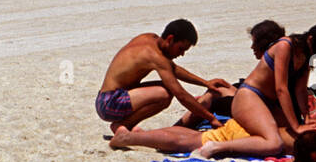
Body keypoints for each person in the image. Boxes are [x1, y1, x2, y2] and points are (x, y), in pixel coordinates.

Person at [195, 21, 316, 160]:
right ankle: (192, 128)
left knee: (218, 94)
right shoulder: (283, 50)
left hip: (261, 100)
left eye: (255, 42)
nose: (252, 47)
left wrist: (305, 118)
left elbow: (298, 90)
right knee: (212, 97)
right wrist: (297, 125)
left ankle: (195, 115)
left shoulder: (292, 56)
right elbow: (281, 90)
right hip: (250, 99)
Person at [95, 20, 231, 132]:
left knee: (165, 88)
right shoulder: (155, 57)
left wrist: (205, 83)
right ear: (170, 39)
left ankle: (123, 125)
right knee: (165, 94)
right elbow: (181, 95)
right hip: (110, 104)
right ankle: (123, 126)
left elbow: (173, 69)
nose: (182, 54)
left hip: (106, 98)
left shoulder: (148, 38)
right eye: (181, 48)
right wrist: (211, 118)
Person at [110, 113, 289, 153]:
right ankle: (132, 138)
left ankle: (143, 135)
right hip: (261, 131)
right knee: (199, 139)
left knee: (200, 136)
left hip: (254, 123)